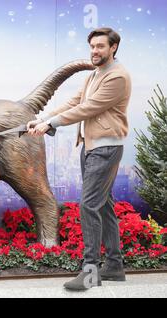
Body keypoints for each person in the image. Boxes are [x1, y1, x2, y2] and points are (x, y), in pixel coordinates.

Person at [26, 27, 132, 291]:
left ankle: (90, 271)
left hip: (105, 149)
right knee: (103, 204)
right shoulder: (96, 74)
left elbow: (89, 108)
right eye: (92, 46)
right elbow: (75, 101)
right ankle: (115, 266)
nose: (95, 51)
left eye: (100, 46)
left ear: (113, 48)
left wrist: (51, 123)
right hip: (91, 146)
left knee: (88, 205)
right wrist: (43, 119)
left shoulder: (117, 77)